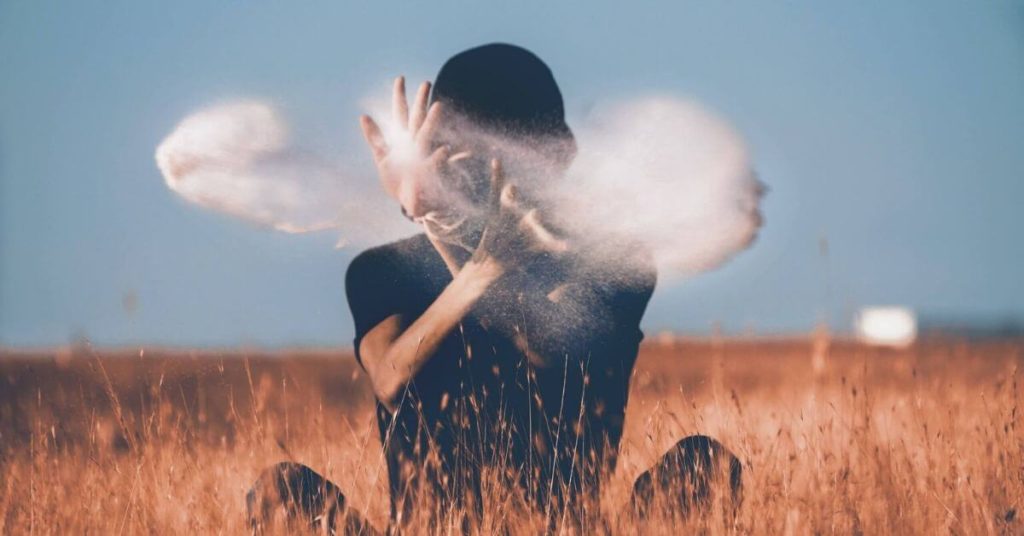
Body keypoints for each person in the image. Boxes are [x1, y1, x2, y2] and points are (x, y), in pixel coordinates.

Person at [247, 43, 741, 534]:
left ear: (557, 155)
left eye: (508, 154)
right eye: (465, 155)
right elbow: (393, 379)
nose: (490, 172)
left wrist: (469, 249)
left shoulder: (614, 267)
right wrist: (448, 234)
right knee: (281, 494)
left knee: (706, 465)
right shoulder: (382, 270)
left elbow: (552, 361)